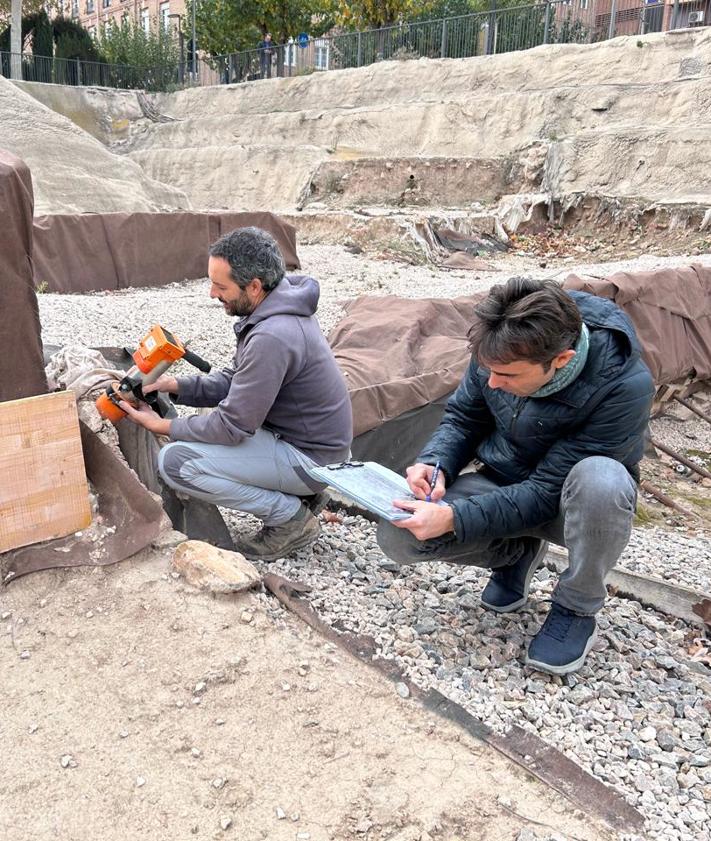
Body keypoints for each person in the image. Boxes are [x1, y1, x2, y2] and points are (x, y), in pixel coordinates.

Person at [377, 277, 654, 676]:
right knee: (399, 535)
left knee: (603, 481)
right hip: (503, 479)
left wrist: (455, 518)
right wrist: (436, 463)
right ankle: (515, 554)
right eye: (487, 370)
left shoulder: (625, 386)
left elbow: (544, 493)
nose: (493, 383)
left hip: (569, 506)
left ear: (561, 360)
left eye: (506, 376)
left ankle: (576, 607)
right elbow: (464, 416)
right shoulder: (500, 346)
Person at [119, 226, 353, 561]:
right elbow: (237, 380)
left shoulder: (273, 335)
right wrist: (176, 386)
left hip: (312, 460)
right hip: (306, 443)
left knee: (175, 462)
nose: (212, 293)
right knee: (197, 430)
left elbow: (232, 426)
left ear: (254, 286)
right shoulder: (279, 307)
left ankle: (290, 518)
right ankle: (298, 496)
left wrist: (162, 426)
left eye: (221, 286)